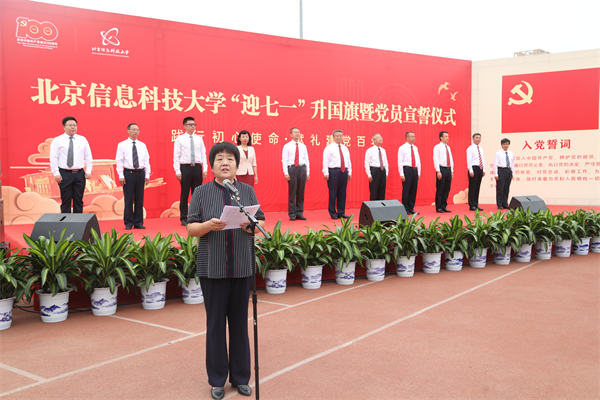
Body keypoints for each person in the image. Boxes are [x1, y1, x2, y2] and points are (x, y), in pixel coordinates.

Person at [187, 141, 265, 400]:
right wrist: (208, 225)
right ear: (212, 166)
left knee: (240, 325)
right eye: (219, 158)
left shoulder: (247, 191)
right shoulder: (201, 192)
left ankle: (241, 377)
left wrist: (251, 226)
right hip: (213, 268)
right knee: (216, 325)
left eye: (230, 159)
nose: (225, 163)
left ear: (236, 165)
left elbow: (261, 221)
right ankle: (217, 379)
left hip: (242, 266)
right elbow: (191, 228)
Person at [50, 116, 93, 213]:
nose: (73, 127)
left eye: (74, 125)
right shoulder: (57, 140)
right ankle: (66, 221)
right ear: (64, 127)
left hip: (79, 174)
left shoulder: (82, 139)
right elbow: (54, 158)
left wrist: (88, 171)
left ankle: (78, 221)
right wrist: (56, 173)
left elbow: (88, 156)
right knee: (66, 200)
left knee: (79, 200)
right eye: (70, 125)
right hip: (64, 174)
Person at [115, 123, 150, 229]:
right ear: (128, 130)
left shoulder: (142, 145)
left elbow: (146, 160)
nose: (136, 131)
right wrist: (121, 175)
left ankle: (139, 222)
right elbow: (119, 160)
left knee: (139, 199)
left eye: (137, 130)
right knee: (129, 199)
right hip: (128, 174)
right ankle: (128, 222)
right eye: (133, 129)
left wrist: (147, 174)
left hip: (140, 173)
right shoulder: (122, 145)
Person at [174, 116, 207, 226]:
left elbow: (203, 154)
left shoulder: (199, 139)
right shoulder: (179, 139)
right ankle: (184, 217)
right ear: (184, 126)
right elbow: (176, 156)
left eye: (194, 124)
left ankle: (197, 216)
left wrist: (205, 169)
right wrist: (177, 171)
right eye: (190, 125)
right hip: (185, 168)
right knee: (184, 194)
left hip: (197, 167)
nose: (193, 126)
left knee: (197, 194)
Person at [323, 129, 352, 219]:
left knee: (342, 193)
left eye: (340, 136)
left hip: (344, 171)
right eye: (337, 136)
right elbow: (325, 161)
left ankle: (341, 212)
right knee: (333, 193)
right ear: (333, 137)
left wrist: (349, 172)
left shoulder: (345, 148)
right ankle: (333, 212)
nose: (339, 137)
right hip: (333, 172)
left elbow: (348, 161)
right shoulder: (329, 148)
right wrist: (326, 172)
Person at [282, 127, 309, 221]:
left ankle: (299, 212)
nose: (297, 134)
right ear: (291, 134)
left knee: (301, 192)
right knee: (292, 192)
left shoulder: (303, 146)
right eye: (295, 132)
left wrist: (307, 172)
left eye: (298, 132)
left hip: (302, 168)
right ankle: (292, 213)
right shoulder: (287, 146)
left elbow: (306, 159)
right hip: (292, 168)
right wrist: (286, 173)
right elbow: (284, 160)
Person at [398, 131, 421, 215]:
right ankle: (405, 208)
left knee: (413, 190)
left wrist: (418, 172)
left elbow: (418, 160)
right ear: (407, 138)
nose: (414, 138)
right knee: (406, 190)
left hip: (414, 170)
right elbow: (400, 161)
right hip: (407, 170)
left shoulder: (415, 148)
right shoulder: (402, 148)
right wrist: (401, 174)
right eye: (412, 136)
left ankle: (411, 208)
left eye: (414, 136)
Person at [433, 130, 454, 213]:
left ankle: (444, 206)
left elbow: (451, 159)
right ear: (441, 138)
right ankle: (438, 207)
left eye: (448, 136)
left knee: (447, 188)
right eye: (446, 136)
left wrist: (452, 170)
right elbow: (436, 159)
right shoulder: (437, 147)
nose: (447, 138)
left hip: (448, 169)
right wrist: (438, 171)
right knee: (440, 189)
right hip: (442, 169)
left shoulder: (448, 147)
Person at [364, 133, 388, 201]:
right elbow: (366, 163)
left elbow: (386, 162)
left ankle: (381, 206)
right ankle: (373, 207)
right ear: (374, 140)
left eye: (381, 137)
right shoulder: (370, 150)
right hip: (374, 171)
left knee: (382, 191)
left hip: (382, 171)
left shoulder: (383, 150)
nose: (381, 139)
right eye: (378, 138)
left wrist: (386, 173)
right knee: (374, 191)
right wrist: (369, 174)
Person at [494, 138, 515, 210]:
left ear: (509, 145)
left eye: (507, 144)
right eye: (504, 144)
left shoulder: (511, 153)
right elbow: (495, 164)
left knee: (506, 188)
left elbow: (512, 164)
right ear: (501, 145)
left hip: (508, 171)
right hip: (501, 170)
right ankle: (499, 204)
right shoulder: (498, 153)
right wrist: (496, 174)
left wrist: (512, 172)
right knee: (500, 188)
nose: (505, 145)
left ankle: (505, 203)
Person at [466, 133, 485, 211]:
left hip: (480, 168)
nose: (478, 139)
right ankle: (471, 205)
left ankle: (476, 204)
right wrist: (470, 170)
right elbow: (469, 160)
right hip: (473, 168)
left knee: (477, 187)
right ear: (473, 139)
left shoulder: (481, 148)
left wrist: (483, 169)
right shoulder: (470, 148)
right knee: (472, 187)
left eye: (479, 138)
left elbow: (482, 159)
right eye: (476, 137)